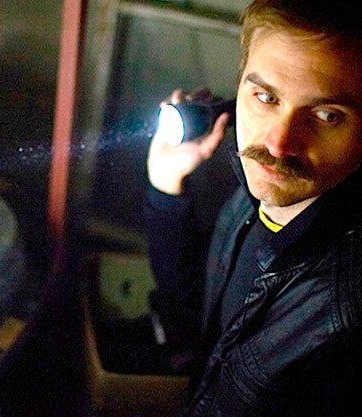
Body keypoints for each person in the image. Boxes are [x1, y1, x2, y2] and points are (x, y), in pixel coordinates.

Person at [144, 0, 362, 415]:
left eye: (326, 115)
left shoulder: (347, 321)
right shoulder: (255, 195)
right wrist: (166, 186)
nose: (278, 144)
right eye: (265, 97)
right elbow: (195, 323)